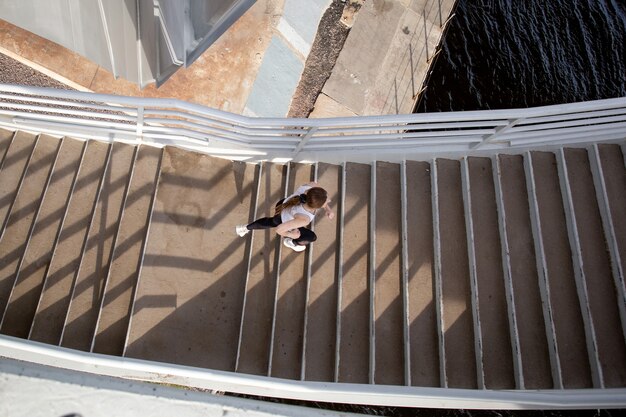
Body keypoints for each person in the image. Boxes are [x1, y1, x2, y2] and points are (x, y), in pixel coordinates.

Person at [236, 182, 334, 252]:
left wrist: (328, 209)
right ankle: (291, 242)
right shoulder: (304, 219)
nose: (329, 200)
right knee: (311, 237)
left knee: (270, 222)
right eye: (327, 200)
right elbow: (279, 230)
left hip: (283, 204)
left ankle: (244, 228)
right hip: (282, 219)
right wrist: (292, 235)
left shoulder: (311, 187)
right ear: (317, 206)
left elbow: (317, 198)